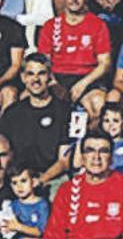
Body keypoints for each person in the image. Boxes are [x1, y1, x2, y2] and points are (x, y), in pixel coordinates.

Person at [38, 0, 112, 124]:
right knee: (28, 101)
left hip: (88, 77)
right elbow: (42, 63)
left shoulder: (98, 24)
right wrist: (53, 84)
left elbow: (105, 64)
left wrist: (82, 84)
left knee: (98, 105)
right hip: (57, 78)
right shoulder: (50, 26)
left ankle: (90, 145)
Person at [0, 54, 72, 188]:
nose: (36, 79)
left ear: (50, 76)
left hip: (52, 179)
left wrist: (40, 181)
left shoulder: (65, 111)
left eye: (41, 73)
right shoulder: (11, 113)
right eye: (30, 74)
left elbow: (64, 161)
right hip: (17, 182)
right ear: (23, 77)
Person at [0, 0, 26, 112]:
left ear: (2, 1)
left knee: (9, 94)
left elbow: (15, 65)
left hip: (5, 81)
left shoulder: (14, 28)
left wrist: (1, 80)